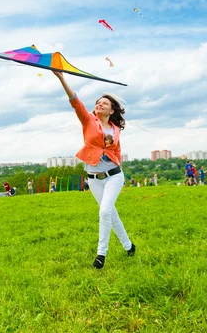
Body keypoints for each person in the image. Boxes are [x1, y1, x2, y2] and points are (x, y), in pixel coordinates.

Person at [54, 70, 135, 270]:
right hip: (93, 178)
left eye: (104, 103)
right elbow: (75, 101)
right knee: (111, 214)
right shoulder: (88, 121)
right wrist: (61, 78)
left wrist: (114, 163)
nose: (99, 104)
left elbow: (116, 150)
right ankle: (129, 246)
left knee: (105, 211)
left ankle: (101, 255)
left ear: (111, 111)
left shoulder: (115, 130)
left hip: (114, 176)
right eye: (98, 102)